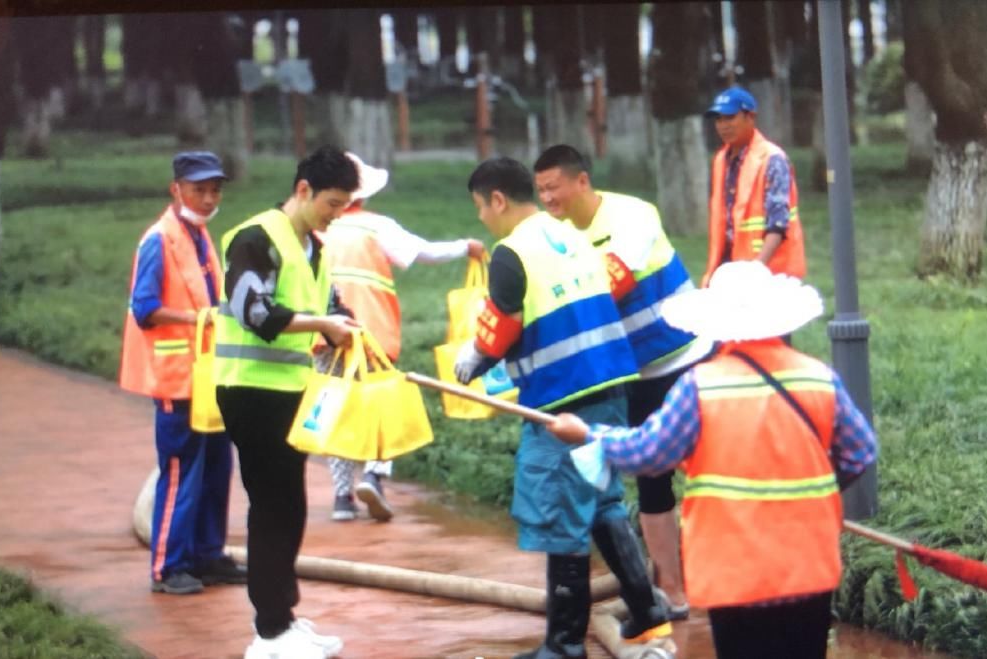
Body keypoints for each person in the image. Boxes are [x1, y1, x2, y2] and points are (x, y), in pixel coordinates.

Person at [546, 261, 878, 659]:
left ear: (717, 326)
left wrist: (587, 434)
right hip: (808, 565)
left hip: (735, 571)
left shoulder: (700, 386)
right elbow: (860, 451)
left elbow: (648, 453)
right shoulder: (818, 377)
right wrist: (818, 489)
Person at [454, 157, 672, 658]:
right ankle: (648, 614)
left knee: (561, 513)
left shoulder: (511, 252)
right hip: (612, 385)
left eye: (480, 208)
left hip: (563, 400)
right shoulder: (571, 234)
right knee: (602, 500)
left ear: (499, 200)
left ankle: (564, 646)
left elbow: (503, 323)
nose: (481, 219)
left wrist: (476, 358)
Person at [533, 144, 715, 618]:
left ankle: (729, 580)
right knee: (651, 481)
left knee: (712, 471)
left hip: (685, 358)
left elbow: (613, 283)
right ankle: (672, 593)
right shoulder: (552, 236)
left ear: (582, 181)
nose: (548, 199)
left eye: (553, 187)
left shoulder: (632, 216)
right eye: (540, 192)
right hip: (630, 372)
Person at [214, 146, 360, 659]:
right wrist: (323, 325)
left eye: (344, 205)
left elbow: (325, 305)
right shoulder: (255, 238)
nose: (337, 214)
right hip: (250, 393)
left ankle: (283, 619)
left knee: (290, 505)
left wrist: (343, 324)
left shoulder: (312, 247)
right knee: (272, 507)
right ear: (303, 191)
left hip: (289, 393)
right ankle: (268, 634)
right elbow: (255, 311)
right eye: (332, 204)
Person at [317, 152, 485, 523]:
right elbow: (423, 252)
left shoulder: (319, 227)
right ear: (363, 195)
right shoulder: (376, 227)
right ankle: (375, 475)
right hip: (370, 332)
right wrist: (465, 246)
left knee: (335, 408)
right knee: (382, 406)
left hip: (324, 334)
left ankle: (342, 497)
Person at [119, 151, 247, 596]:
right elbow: (145, 308)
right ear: (176, 189)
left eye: (215, 190)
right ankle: (168, 566)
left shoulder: (198, 234)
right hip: (178, 377)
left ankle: (208, 555)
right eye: (200, 189)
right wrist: (198, 320)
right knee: (181, 470)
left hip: (209, 374)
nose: (210, 198)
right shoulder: (160, 239)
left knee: (216, 465)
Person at [701, 86, 806, 288]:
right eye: (718, 119)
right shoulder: (721, 160)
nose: (723, 126)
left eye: (730, 118)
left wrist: (757, 269)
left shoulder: (772, 159)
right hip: (730, 270)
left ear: (750, 117)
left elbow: (779, 221)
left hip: (771, 272)